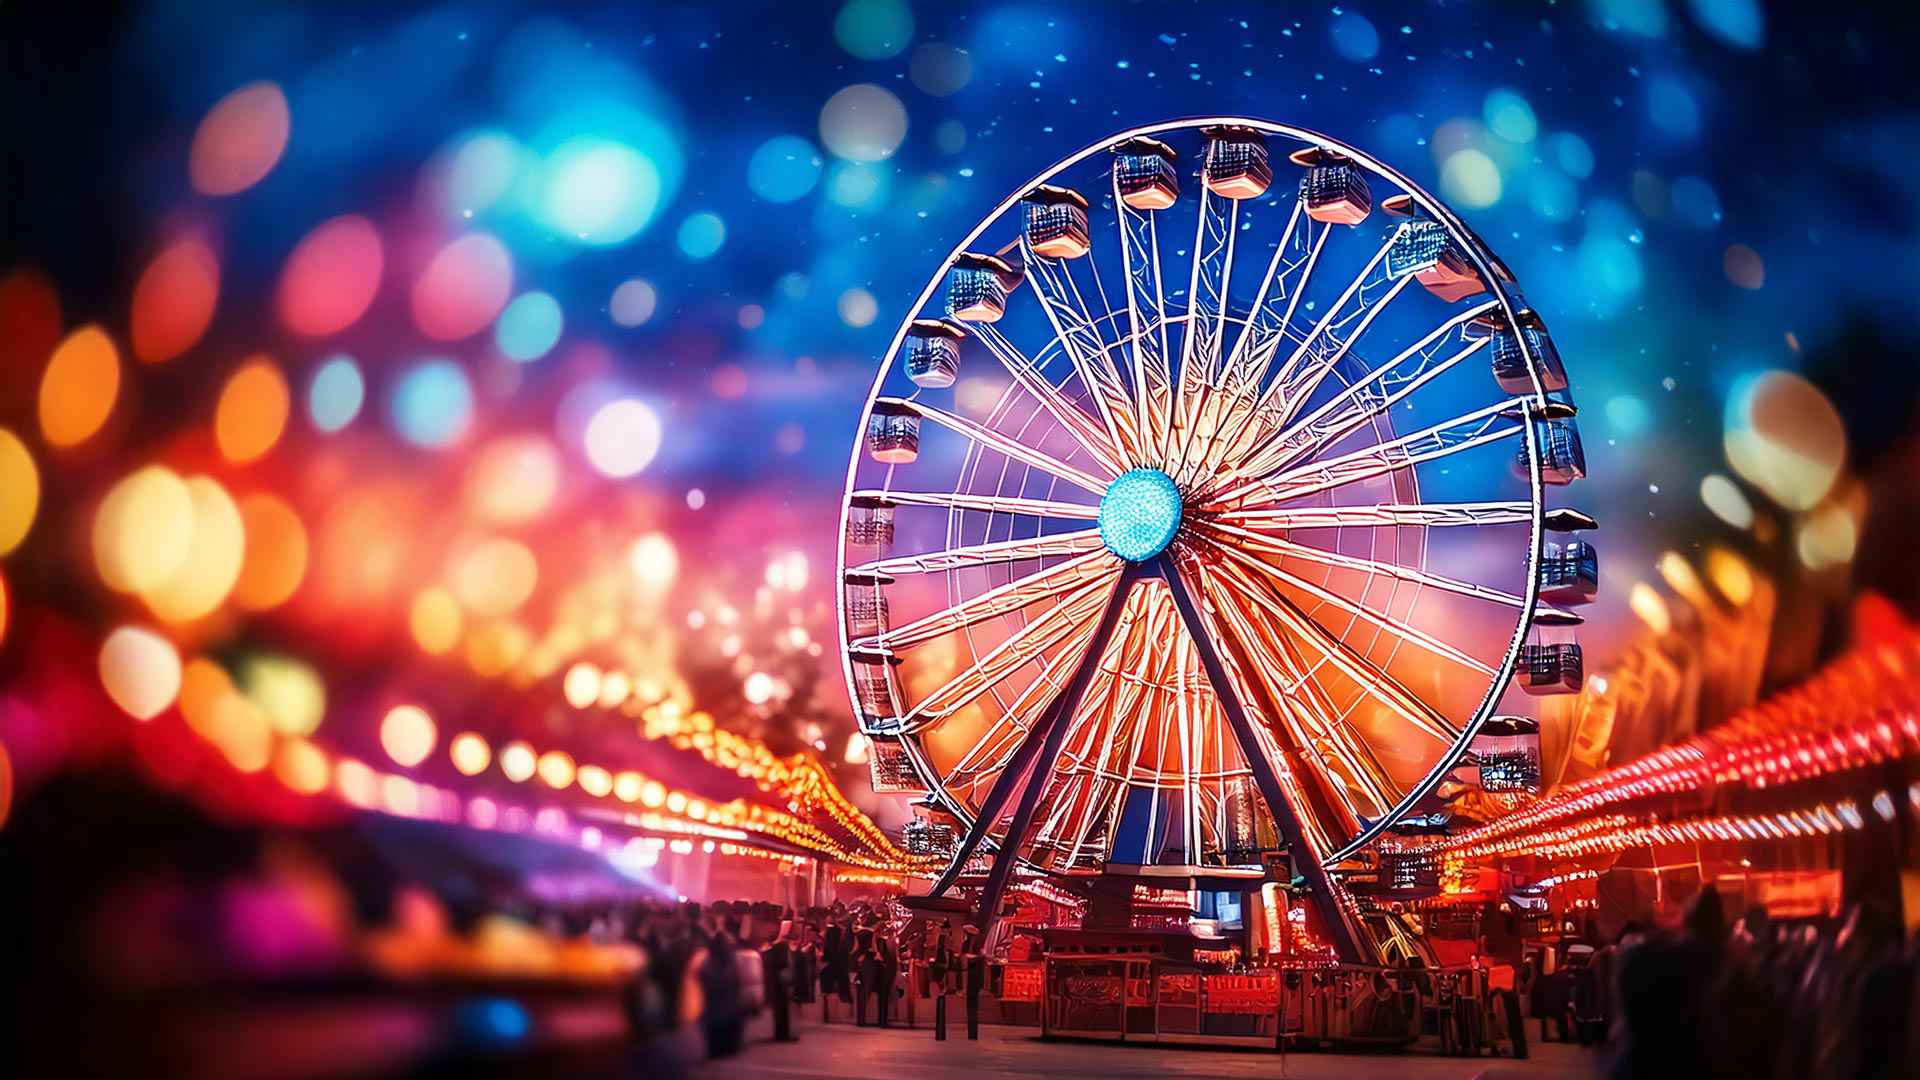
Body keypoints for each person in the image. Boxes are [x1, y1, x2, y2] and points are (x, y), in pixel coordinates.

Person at [764, 920, 797, 1043]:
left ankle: (782, 1033)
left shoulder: (777, 946)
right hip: (779, 981)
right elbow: (781, 963)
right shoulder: (779, 946)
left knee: (782, 1009)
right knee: (781, 1009)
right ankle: (781, 1034)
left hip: (779, 980)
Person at [962, 924, 986, 1041]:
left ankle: (973, 1032)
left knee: (973, 1005)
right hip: (968, 976)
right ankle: (971, 1031)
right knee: (970, 1004)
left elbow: (981, 959)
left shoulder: (979, 945)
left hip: (974, 977)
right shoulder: (966, 944)